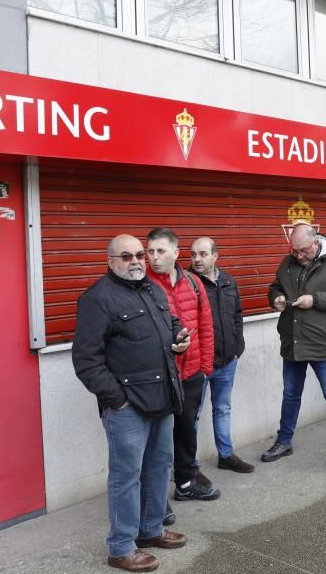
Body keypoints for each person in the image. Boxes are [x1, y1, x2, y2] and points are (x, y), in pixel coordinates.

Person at [72, 234, 188, 572]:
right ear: (111, 261)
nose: (136, 260)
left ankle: (151, 529)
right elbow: (86, 360)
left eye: (140, 254)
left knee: (157, 468)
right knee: (126, 477)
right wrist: (117, 400)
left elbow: (172, 324)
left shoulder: (152, 289)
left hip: (162, 397)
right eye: (126, 256)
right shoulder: (97, 298)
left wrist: (179, 338)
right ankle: (121, 548)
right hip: (128, 407)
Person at [263, 224, 326, 474]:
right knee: (290, 395)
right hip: (292, 341)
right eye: (294, 251)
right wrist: (276, 300)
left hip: (321, 342)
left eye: (302, 251)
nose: (298, 256)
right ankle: (284, 442)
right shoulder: (288, 261)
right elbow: (275, 287)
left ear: (315, 243)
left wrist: (314, 300)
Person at [146, 228, 219, 504]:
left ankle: (186, 483)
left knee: (187, 431)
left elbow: (206, 326)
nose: (153, 257)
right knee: (158, 439)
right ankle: (154, 499)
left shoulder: (192, 282)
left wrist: (205, 369)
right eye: (150, 251)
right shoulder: (143, 284)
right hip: (161, 378)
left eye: (160, 251)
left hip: (191, 375)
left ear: (176, 253)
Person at [190, 237, 255, 474]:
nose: (197, 259)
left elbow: (237, 315)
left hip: (228, 360)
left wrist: (238, 347)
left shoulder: (228, 281)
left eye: (203, 254)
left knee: (223, 408)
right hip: (199, 364)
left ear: (215, 256)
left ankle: (226, 455)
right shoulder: (188, 283)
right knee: (192, 416)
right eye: (193, 254)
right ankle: (191, 467)